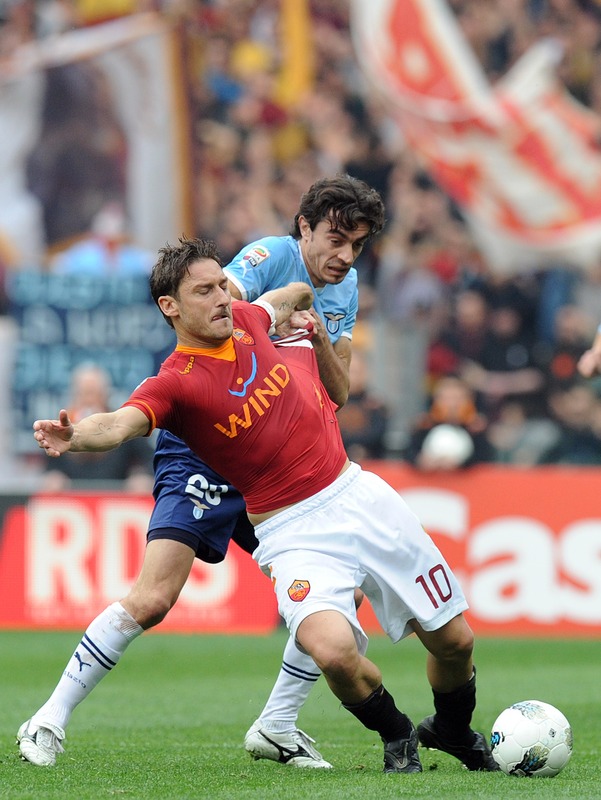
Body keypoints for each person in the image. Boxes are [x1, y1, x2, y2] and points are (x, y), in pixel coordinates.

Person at [26, 237, 498, 776]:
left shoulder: (251, 318)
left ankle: (452, 730)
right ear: (170, 307)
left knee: (456, 641)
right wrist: (75, 436)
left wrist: (304, 308)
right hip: (292, 531)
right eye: (203, 291)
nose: (221, 299)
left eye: (222, 286)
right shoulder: (175, 384)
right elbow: (117, 423)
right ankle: (396, 736)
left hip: (358, 495)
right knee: (334, 651)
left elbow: (293, 291)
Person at [18, 175, 386, 769]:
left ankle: (278, 725)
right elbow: (215, 318)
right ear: (306, 229)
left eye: (357, 245)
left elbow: (338, 391)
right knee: (155, 597)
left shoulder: (344, 290)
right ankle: (47, 718)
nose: (344, 255)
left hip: (274, 460)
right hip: (205, 453)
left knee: (343, 592)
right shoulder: (264, 263)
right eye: (336, 239)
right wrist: (77, 435)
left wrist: (311, 330)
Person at [39, 362, 154, 492]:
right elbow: (49, 468)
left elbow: (150, 459)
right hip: (73, 501)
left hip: (116, 500)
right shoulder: (60, 428)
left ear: (106, 396)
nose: (89, 401)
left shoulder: (122, 425)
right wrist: (53, 477)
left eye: (95, 394)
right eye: (84, 394)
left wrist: (141, 476)